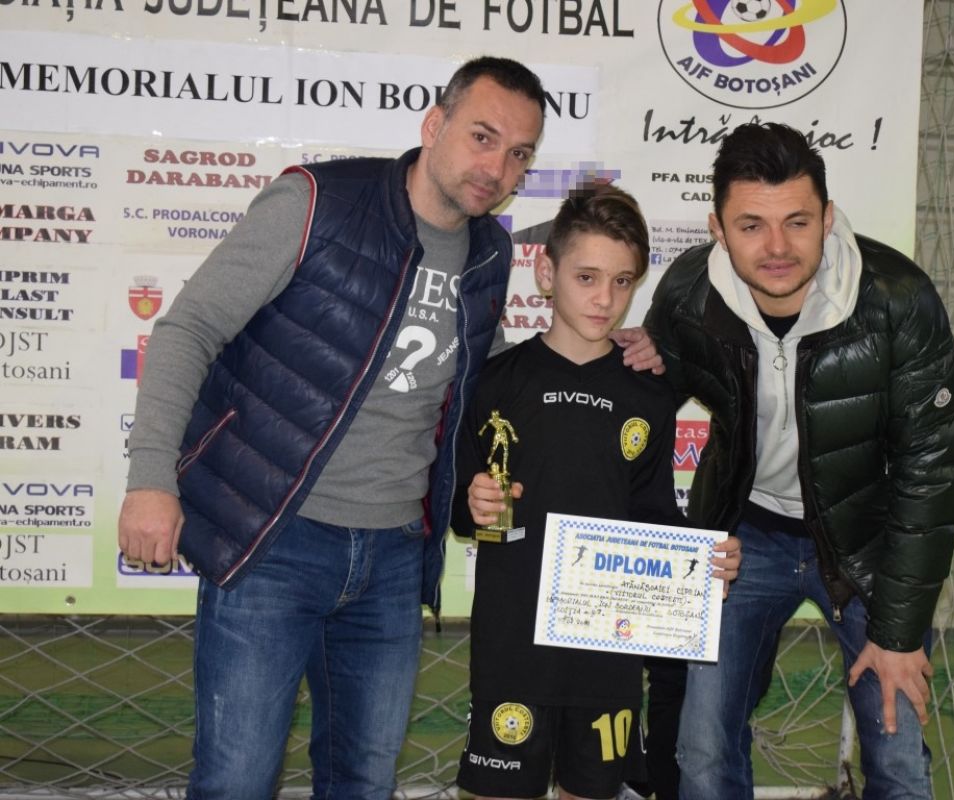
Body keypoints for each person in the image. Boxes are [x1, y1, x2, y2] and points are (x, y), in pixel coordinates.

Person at [116, 57, 660, 799]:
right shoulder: (316, 203)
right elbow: (189, 329)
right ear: (434, 125)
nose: (496, 168)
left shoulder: (490, 253)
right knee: (237, 780)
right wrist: (151, 478)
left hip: (396, 558)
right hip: (276, 541)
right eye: (482, 137)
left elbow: (483, 369)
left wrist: (619, 348)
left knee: (365, 783)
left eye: (519, 154)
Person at [644, 122, 954, 800]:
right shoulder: (688, 296)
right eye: (751, 225)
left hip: (867, 542)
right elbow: (636, 415)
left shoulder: (897, 298)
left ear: (827, 217)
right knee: (702, 749)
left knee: (897, 752)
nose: (777, 247)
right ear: (717, 228)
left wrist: (899, 634)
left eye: (797, 222)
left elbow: (933, 466)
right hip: (742, 537)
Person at [452, 186, 740, 800]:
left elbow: (654, 517)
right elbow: (458, 507)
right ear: (546, 273)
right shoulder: (495, 382)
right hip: (512, 644)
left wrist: (704, 561)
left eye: (621, 281)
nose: (604, 298)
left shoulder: (650, 394)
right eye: (586, 277)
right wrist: (472, 503)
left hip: (607, 648)